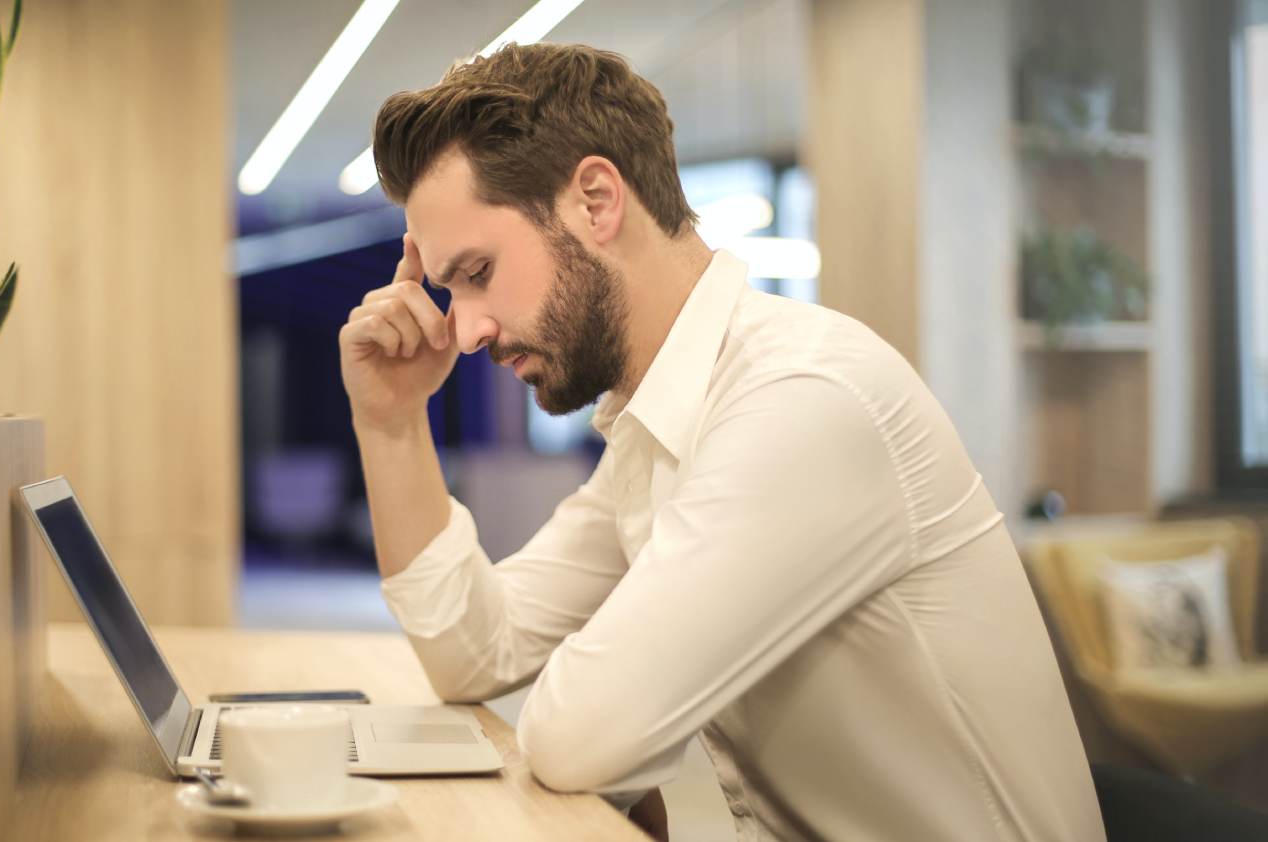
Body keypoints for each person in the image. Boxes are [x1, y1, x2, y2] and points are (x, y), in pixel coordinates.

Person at [338, 42, 1105, 842]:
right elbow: (476, 652)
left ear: (596, 201)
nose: (465, 333)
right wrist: (389, 421)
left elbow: (580, 735)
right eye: (449, 292)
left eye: (479, 272)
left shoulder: (801, 401)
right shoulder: (659, 424)